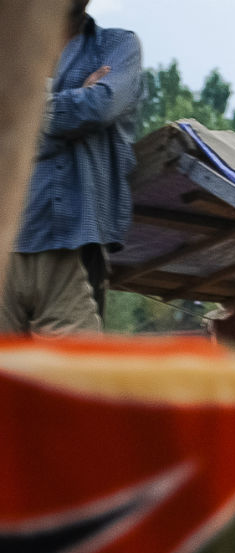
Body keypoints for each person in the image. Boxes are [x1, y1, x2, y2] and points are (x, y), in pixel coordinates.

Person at [2, 0, 141, 336]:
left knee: (81, 381)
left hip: (73, 244)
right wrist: (76, 99)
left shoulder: (118, 45)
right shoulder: (9, 49)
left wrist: (24, 116)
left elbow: (101, 106)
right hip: (7, 245)